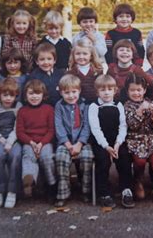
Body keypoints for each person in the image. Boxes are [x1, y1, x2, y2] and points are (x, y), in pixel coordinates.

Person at [124, 73, 153, 202]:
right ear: (127, 91)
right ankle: (138, 180)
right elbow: (132, 125)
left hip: (149, 139)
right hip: (134, 140)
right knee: (140, 161)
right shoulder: (126, 106)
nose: (136, 93)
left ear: (144, 90)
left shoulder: (150, 103)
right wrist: (139, 111)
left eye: (139, 90)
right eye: (132, 90)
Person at [89, 74, 135, 209]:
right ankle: (104, 193)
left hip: (117, 141)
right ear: (97, 92)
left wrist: (118, 143)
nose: (106, 92)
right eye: (103, 90)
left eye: (110, 89)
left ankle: (126, 189)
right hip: (101, 142)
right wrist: (106, 146)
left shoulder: (118, 105)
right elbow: (95, 129)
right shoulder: (94, 106)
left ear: (115, 90)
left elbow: (123, 126)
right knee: (103, 162)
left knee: (125, 159)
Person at [54, 74, 94, 207]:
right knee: (60, 158)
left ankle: (86, 190)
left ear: (79, 91)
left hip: (82, 142)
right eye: (67, 93)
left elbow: (87, 127)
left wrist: (79, 144)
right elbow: (59, 126)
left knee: (87, 157)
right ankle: (63, 192)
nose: (71, 96)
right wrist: (68, 144)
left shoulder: (85, 105)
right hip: (65, 142)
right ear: (61, 93)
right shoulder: (59, 106)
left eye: (74, 92)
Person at [16, 79, 57, 201]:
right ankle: (29, 180)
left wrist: (41, 143)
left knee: (47, 157)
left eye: (37, 93)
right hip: (29, 142)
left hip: (45, 141)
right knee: (28, 156)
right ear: (25, 95)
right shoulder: (22, 111)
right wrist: (31, 143)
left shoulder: (49, 109)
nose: (34, 97)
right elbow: (20, 132)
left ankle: (52, 185)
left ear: (43, 95)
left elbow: (51, 130)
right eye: (31, 93)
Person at [0, 78, 23, 208]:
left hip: (14, 139)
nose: (8, 98)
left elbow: (17, 127)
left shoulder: (18, 108)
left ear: (16, 96)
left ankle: (12, 191)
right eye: (5, 95)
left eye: (11, 95)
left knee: (16, 156)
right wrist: (1, 140)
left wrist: (9, 142)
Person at [67, 38, 104, 104]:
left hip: (95, 103)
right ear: (73, 55)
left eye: (85, 54)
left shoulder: (98, 71)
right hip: (77, 104)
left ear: (91, 56)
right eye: (78, 54)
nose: (81, 56)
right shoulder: (71, 72)